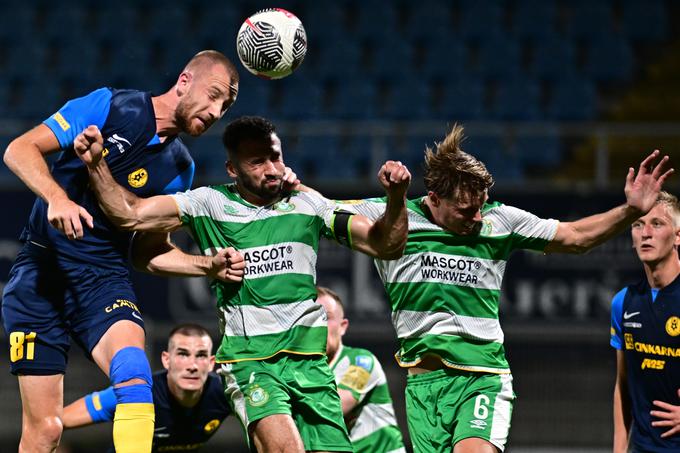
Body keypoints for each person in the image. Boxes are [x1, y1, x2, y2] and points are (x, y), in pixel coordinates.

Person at [72, 115, 411, 452]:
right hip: (251, 362)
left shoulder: (307, 203)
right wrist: (97, 163)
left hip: (311, 366)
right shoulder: (208, 203)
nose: (272, 169)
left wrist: (396, 198)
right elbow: (130, 214)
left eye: (275, 157)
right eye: (257, 162)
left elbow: (385, 245)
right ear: (233, 169)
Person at [331, 124, 673, 453]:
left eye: (481, 206)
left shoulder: (501, 221)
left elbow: (575, 237)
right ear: (434, 198)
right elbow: (318, 210)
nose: (477, 218)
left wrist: (631, 211)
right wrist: (288, 183)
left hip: (482, 378)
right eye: (466, 210)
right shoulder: (392, 216)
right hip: (422, 388)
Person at [1, 50, 241, 453]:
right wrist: (57, 199)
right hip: (40, 277)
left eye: (226, 105)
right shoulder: (110, 106)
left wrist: (206, 265)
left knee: (134, 378)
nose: (217, 111)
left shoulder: (181, 169)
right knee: (45, 432)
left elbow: (147, 253)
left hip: (102, 279)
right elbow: (18, 150)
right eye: (214, 94)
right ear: (184, 81)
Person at [62, 323, 232, 452]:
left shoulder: (225, 393)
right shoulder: (139, 393)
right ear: (167, 360)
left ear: (211, 363)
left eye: (201, 355)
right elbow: (57, 422)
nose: (192, 365)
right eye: (183, 354)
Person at [610, 191, 680, 452]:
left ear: (678, 235)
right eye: (638, 224)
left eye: (657, 224)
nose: (645, 233)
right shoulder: (624, 302)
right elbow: (622, 385)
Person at [316, 286, 406, 453]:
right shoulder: (301, 371)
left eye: (325, 317)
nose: (318, 326)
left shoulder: (361, 362)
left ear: (343, 326)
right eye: (311, 318)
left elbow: (331, 409)